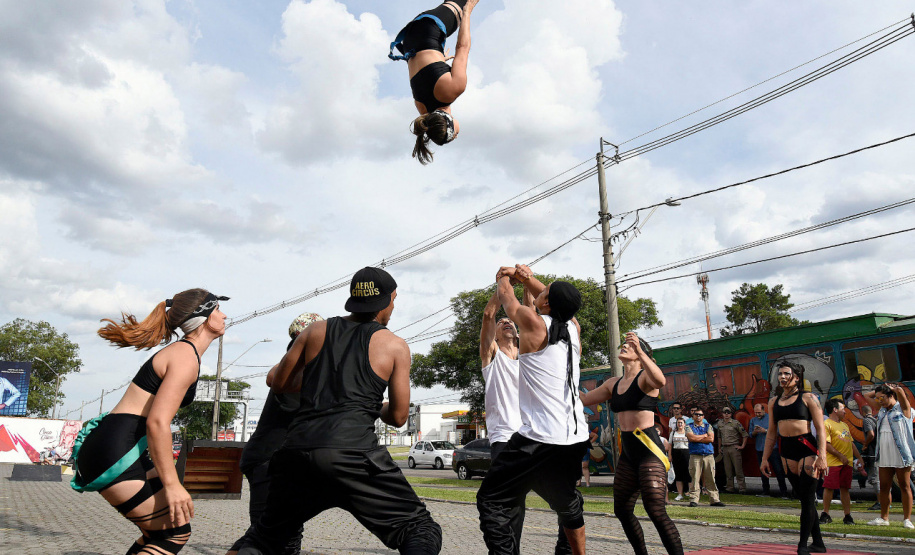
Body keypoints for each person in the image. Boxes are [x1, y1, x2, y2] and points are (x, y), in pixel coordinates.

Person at [236, 267, 442, 555]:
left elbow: (279, 383)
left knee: (264, 538)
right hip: (353, 455)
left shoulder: (315, 331)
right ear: (386, 301)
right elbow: (398, 417)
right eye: (394, 300)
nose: (393, 307)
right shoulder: (394, 345)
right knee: (420, 530)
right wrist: (368, 403)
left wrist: (325, 383)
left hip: (298, 453)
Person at [71, 289, 228, 554]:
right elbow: (157, 422)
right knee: (173, 533)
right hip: (116, 450)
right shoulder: (184, 357)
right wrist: (172, 485)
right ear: (203, 317)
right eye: (217, 311)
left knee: (162, 530)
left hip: (118, 445)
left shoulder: (185, 354)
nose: (224, 316)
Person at [477, 265, 590, 555]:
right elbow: (549, 297)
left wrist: (504, 276)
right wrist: (527, 278)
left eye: (545, 293)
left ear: (547, 303)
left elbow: (506, 298)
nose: (540, 293)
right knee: (566, 500)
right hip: (575, 437)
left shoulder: (533, 323)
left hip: (538, 437)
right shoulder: (573, 329)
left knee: (492, 500)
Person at [226, 312, 324, 555]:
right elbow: (274, 377)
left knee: (264, 531)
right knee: (270, 536)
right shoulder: (297, 366)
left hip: (277, 460)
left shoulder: (305, 364)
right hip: (267, 460)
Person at [581, 331, 683, 555]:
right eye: (625, 346)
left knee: (655, 510)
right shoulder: (613, 383)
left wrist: (641, 351)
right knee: (622, 509)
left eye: (630, 347)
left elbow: (661, 380)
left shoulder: (646, 378)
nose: (624, 347)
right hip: (628, 454)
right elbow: (586, 399)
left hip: (649, 450)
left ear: (640, 355)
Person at [389, 0, 479, 164]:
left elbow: (462, 48)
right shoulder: (422, 108)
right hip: (410, 40)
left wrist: (468, 12)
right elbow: (421, 73)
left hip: (431, 28)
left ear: (449, 122)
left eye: (455, 135)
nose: (458, 136)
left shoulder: (453, 90)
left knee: (464, 3)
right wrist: (437, 61)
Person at [760, 361, 828, 555]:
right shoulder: (774, 402)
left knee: (807, 499)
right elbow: (771, 432)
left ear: (796, 377)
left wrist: (822, 455)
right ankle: (819, 543)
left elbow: (821, 429)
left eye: (786, 374)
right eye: (780, 374)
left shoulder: (808, 398)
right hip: (786, 450)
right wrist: (765, 459)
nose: (782, 377)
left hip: (807, 448)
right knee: (804, 499)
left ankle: (802, 546)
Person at [860, 383, 915, 529]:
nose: (879, 401)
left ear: (891, 396)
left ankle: (907, 519)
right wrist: (880, 391)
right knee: (884, 486)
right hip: (884, 453)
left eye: (882, 398)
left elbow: (902, 398)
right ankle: (884, 517)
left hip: (901, 454)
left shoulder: (903, 410)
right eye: (878, 398)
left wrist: (895, 390)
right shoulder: (881, 410)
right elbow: (866, 395)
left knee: (904, 486)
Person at [819, 399, 862, 525]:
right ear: (835, 409)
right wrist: (840, 456)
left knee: (845, 488)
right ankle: (825, 513)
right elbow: (826, 444)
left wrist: (859, 457)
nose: (845, 411)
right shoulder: (826, 424)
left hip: (846, 463)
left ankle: (847, 515)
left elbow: (851, 443)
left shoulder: (845, 425)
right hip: (833, 463)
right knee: (829, 487)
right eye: (843, 408)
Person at [686, 409, 724, 509]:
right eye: (696, 414)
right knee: (695, 478)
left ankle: (714, 500)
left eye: (701, 415)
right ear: (693, 416)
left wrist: (697, 438)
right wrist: (704, 436)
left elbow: (711, 439)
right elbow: (691, 438)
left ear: (703, 416)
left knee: (711, 477)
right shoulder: (688, 426)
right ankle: (694, 500)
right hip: (695, 455)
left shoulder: (709, 426)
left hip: (708, 455)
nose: (698, 416)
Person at [748, 403, 789, 498]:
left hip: (772, 448)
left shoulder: (771, 418)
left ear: (763, 410)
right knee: (763, 471)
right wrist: (755, 432)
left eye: (759, 412)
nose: (757, 414)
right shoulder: (753, 420)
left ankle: (784, 492)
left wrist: (765, 431)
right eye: (755, 413)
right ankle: (766, 491)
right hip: (759, 448)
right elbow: (750, 434)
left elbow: (778, 432)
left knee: (778, 470)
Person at [716, 407, 748, 494]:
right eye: (724, 412)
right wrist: (719, 447)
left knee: (738, 469)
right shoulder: (720, 423)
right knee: (728, 470)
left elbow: (745, 434)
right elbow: (719, 436)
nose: (726, 414)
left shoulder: (735, 423)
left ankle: (742, 488)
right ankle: (730, 487)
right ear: (722, 414)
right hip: (725, 448)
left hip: (734, 448)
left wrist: (742, 446)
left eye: (728, 412)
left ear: (731, 414)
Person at [860, 404, 880, 510]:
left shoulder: (867, 420)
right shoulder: (875, 420)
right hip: (878, 451)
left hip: (872, 452)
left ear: (862, 412)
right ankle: (884, 502)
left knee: (874, 478)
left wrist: (865, 445)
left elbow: (871, 434)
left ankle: (880, 502)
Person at [669, 417, 691, 501]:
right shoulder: (673, 433)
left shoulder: (688, 432)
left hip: (686, 453)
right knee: (678, 474)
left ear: (684, 424)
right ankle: (680, 494)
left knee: (689, 474)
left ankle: (690, 492)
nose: (680, 424)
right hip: (676, 454)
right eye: (678, 423)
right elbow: (670, 445)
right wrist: (670, 455)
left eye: (681, 422)